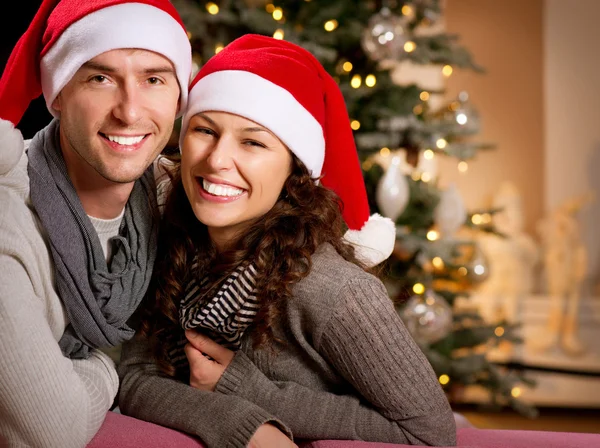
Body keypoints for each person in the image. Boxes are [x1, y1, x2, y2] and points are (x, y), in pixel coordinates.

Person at [119, 34, 457, 447]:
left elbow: (431, 432)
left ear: (292, 172)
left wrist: (254, 393)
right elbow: (136, 377)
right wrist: (243, 424)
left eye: (253, 142)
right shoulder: (172, 242)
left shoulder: (334, 291)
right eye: (204, 131)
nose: (217, 160)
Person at [0, 0, 195, 446]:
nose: (129, 112)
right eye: (100, 78)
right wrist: (116, 359)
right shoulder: (8, 215)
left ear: (178, 96)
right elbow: (54, 428)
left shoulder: (176, 199)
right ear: (60, 93)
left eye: (153, 79)